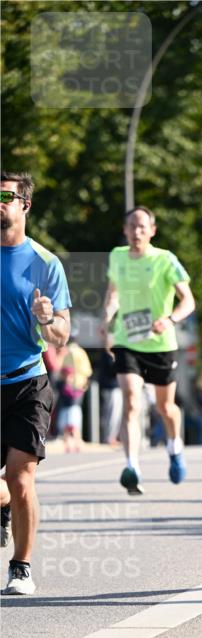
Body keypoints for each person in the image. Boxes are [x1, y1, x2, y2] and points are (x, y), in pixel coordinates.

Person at [0, 170, 71, 594]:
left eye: (5, 195)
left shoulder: (46, 264)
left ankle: (21, 567)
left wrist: (46, 318)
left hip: (27, 380)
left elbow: (61, 334)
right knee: (7, 485)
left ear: (24, 204)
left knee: (21, 477)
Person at [98, 206, 195, 494]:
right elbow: (113, 294)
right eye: (132, 226)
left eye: (142, 227)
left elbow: (188, 301)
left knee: (165, 408)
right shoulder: (116, 256)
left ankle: (175, 447)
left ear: (152, 231)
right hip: (128, 340)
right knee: (131, 401)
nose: (137, 231)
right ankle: (132, 466)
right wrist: (106, 319)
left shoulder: (166, 259)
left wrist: (170, 319)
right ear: (125, 230)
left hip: (160, 344)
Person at [56, 336, 92, 452]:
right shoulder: (81, 352)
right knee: (74, 419)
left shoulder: (66, 352)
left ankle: (70, 443)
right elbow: (87, 371)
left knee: (68, 420)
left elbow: (60, 368)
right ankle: (76, 442)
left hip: (67, 388)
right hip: (78, 387)